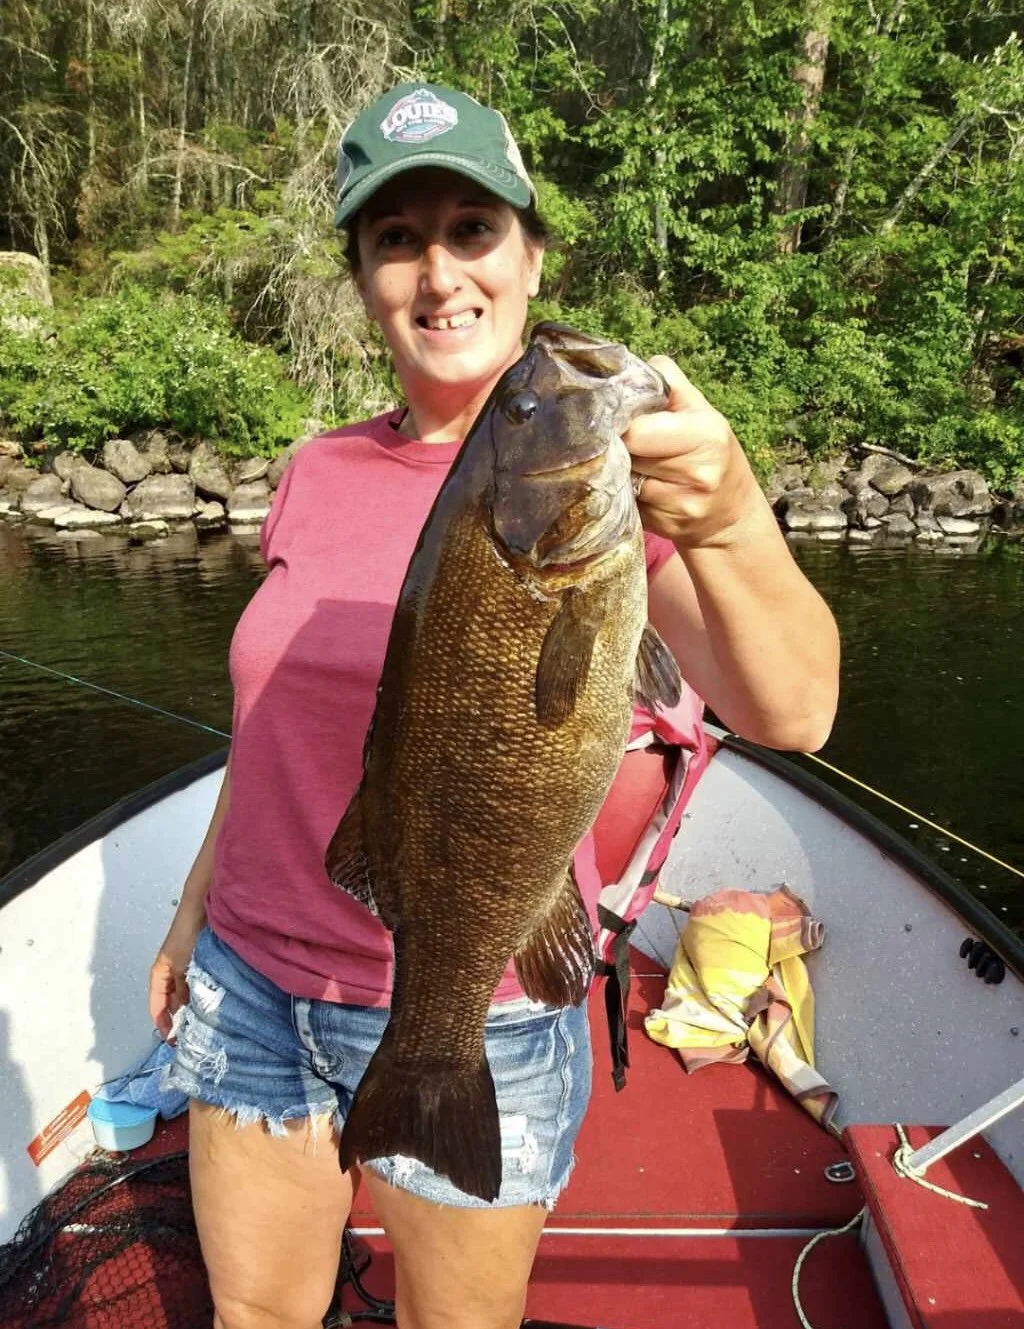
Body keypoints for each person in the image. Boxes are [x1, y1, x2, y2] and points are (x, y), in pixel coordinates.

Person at [149, 83, 840, 1329]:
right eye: (396, 239)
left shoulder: (627, 498)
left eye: (472, 229)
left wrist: (735, 515)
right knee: (254, 1314)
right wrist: (192, 913)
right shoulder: (313, 468)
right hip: (248, 977)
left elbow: (794, 712)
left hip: (482, 1004)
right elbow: (271, 734)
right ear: (363, 279)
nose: (438, 272)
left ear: (529, 257)